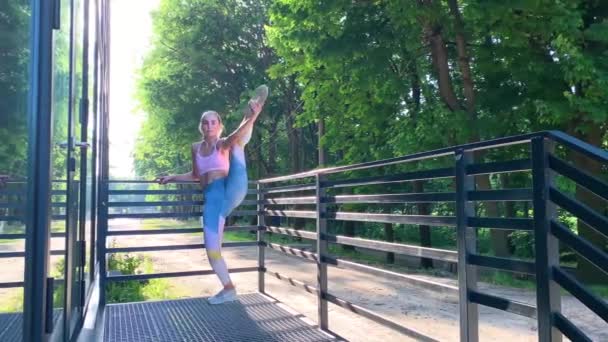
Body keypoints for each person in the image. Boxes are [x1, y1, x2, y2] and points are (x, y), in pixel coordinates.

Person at [156, 86, 267, 305]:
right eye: (206, 123)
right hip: (213, 201)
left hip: (230, 187)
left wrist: (252, 116)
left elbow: (233, 136)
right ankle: (228, 288)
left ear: (219, 125)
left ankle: (250, 115)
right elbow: (196, 175)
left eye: (213, 122)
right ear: (201, 126)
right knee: (213, 251)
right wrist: (171, 177)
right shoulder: (196, 147)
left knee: (237, 143)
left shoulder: (222, 143)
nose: (209, 126)